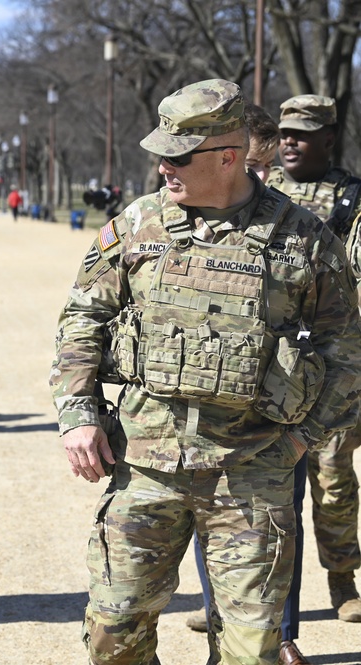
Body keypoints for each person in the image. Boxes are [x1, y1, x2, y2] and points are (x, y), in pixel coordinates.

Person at [50, 79, 361, 665]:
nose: (163, 166)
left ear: (227, 156)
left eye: (177, 156)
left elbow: (346, 352)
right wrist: (78, 416)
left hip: (251, 475)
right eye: (160, 154)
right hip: (144, 467)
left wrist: (300, 440)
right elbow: (81, 320)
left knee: (252, 652)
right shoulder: (137, 226)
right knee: (114, 637)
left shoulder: (303, 239)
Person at [183, 101, 316, 665]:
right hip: (205, 410)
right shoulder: (187, 218)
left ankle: (280, 635)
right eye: (252, 167)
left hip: (276, 406)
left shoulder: (293, 225)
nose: (259, 178)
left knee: (282, 517)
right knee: (208, 521)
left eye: (266, 168)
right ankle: (224, 628)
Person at [267, 94, 361, 630]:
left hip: (329, 360)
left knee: (330, 476)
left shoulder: (352, 202)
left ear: (329, 138)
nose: (290, 142)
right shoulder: (260, 195)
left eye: (303, 133)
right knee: (260, 480)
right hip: (271, 364)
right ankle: (247, 601)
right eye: (284, 133)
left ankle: (343, 579)